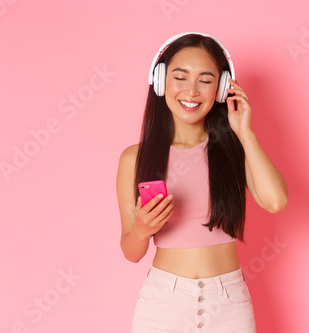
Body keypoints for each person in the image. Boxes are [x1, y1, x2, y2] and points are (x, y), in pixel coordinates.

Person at [116, 32, 288, 333]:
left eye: (206, 81)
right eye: (180, 77)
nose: (191, 91)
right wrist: (142, 229)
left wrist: (245, 133)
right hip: (163, 304)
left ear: (222, 88)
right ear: (160, 81)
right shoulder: (135, 158)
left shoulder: (235, 148)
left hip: (229, 303)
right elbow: (131, 252)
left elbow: (276, 201)